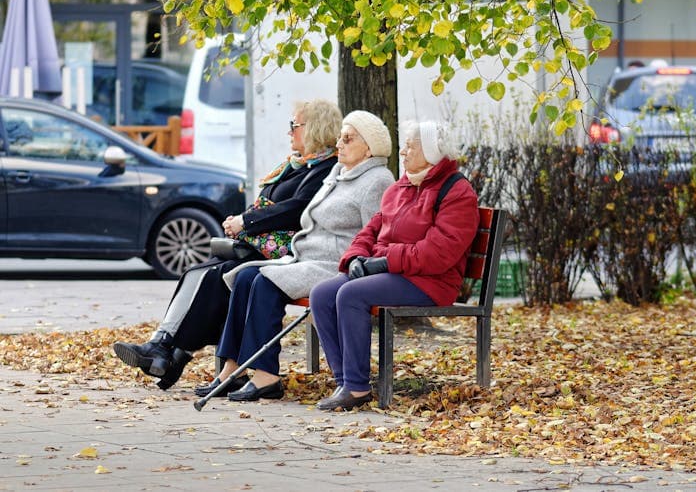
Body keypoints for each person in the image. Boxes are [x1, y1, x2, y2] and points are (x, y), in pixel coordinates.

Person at [112, 99, 342, 390]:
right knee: (198, 272)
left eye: (294, 125)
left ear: (315, 128)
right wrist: (243, 220)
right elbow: (270, 202)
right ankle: (164, 345)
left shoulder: (325, 168)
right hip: (262, 246)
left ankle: (174, 354)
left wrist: (246, 222)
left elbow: (296, 209)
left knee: (220, 277)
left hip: (288, 252)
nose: (289, 132)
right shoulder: (296, 165)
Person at [196, 110, 395, 402]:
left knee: (265, 282)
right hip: (308, 256)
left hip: (335, 263)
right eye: (340, 137)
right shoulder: (339, 172)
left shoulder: (377, 180)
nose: (339, 144)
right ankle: (233, 366)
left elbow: (375, 234)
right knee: (246, 276)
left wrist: (356, 264)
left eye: (348, 139)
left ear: (369, 147)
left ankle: (266, 375)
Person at [309, 121, 479, 411]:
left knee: (351, 295)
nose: (403, 152)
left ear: (431, 150)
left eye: (411, 147)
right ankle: (344, 380)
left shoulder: (457, 192)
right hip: (393, 270)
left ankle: (357, 387)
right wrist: (356, 257)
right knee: (322, 294)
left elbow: (438, 253)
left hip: (431, 281)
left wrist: (386, 261)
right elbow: (372, 229)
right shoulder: (402, 186)